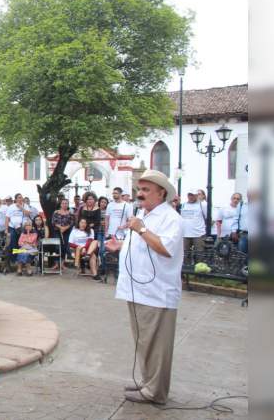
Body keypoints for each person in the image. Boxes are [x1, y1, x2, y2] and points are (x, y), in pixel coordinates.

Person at [105, 169, 184, 405]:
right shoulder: (144, 215)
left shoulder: (171, 218)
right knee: (144, 341)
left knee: (156, 345)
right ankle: (148, 381)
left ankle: (155, 391)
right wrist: (120, 245)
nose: (140, 194)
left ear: (161, 193)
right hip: (137, 290)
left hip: (157, 293)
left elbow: (165, 248)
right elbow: (143, 245)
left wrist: (139, 229)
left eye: (146, 190)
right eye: (139, 189)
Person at [181, 188, 207, 265]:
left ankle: (199, 273)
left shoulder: (202, 205)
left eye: (193, 195)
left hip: (198, 233)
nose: (191, 197)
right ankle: (187, 272)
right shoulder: (183, 205)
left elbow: (207, 217)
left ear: (196, 196)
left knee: (199, 254)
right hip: (185, 233)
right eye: (189, 195)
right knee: (185, 254)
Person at [5, 193, 29, 266]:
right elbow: (7, 218)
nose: (20, 199)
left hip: (23, 227)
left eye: (21, 197)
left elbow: (28, 214)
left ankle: (21, 260)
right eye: (19, 197)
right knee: (13, 243)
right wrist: (6, 229)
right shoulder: (11, 207)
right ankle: (14, 259)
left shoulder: (25, 206)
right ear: (15, 199)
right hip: (12, 227)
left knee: (22, 244)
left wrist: (21, 207)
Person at [52, 198, 74, 269]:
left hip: (66, 231)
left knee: (64, 246)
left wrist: (65, 228)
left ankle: (62, 263)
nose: (64, 205)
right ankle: (56, 263)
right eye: (63, 203)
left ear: (68, 205)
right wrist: (60, 227)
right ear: (60, 204)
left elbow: (71, 223)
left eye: (66, 203)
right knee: (57, 246)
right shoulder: (56, 212)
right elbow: (53, 222)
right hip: (57, 231)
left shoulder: (70, 213)